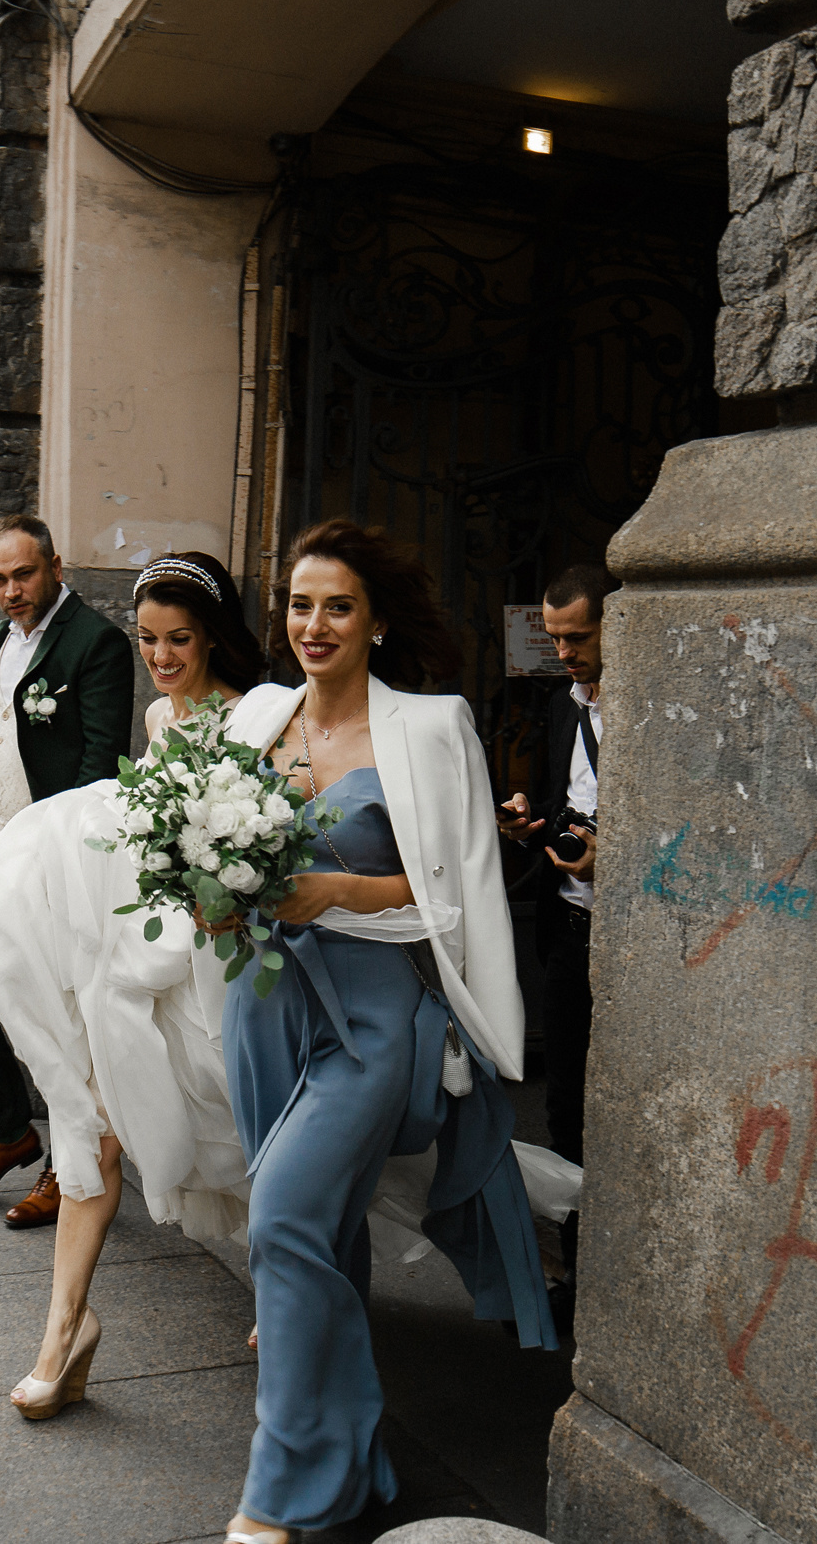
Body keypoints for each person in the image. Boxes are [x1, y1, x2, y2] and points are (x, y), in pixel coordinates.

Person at [222, 519, 555, 1544]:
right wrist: (204, 894)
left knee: (279, 1218)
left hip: (374, 1017)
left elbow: (455, 885)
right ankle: (355, 1458)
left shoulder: (429, 725)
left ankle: (281, 1492)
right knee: (323, 1230)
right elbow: (211, 858)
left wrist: (337, 889)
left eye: (338, 606)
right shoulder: (255, 716)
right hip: (262, 1005)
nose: (314, 624)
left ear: (373, 622)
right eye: (300, 604)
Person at [0, 553, 269, 1419]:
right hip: (135, 951)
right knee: (91, 1124)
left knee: (243, 1124)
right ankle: (64, 1330)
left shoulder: (259, 716)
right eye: (148, 638)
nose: (160, 656)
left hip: (218, 960)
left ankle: (289, 1283)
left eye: (179, 639)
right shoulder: (162, 716)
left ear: (213, 637)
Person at [0, 514, 134, 1229]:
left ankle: (69, 1167)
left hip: (55, 862)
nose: (11, 591)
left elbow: (99, 765)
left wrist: (58, 857)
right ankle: (10, 1130)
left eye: (23, 574)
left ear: (55, 567)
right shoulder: (1, 645)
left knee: (62, 1019)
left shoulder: (96, 642)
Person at [497, 564, 615, 1197]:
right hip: (568, 933)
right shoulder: (562, 706)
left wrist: (610, 861)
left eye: (578, 637)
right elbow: (561, 803)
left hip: (624, 939)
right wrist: (527, 822)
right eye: (554, 638)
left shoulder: (655, 709)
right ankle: (572, 1246)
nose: (564, 652)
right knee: (565, 1106)